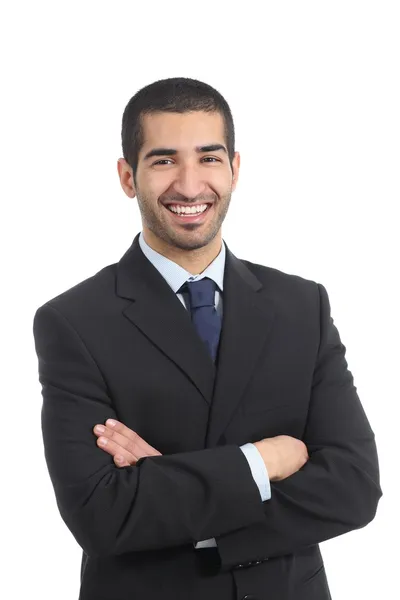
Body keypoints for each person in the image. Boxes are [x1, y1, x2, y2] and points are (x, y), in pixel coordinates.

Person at [33, 77, 382, 600]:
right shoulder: (73, 321)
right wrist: (262, 462)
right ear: (128, 176)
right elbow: (101, 514)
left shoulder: (302, 306)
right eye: (164, 160)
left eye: (209, 158)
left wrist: (170, 487)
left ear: (235, 169)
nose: (191, 186)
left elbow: (354, 487)